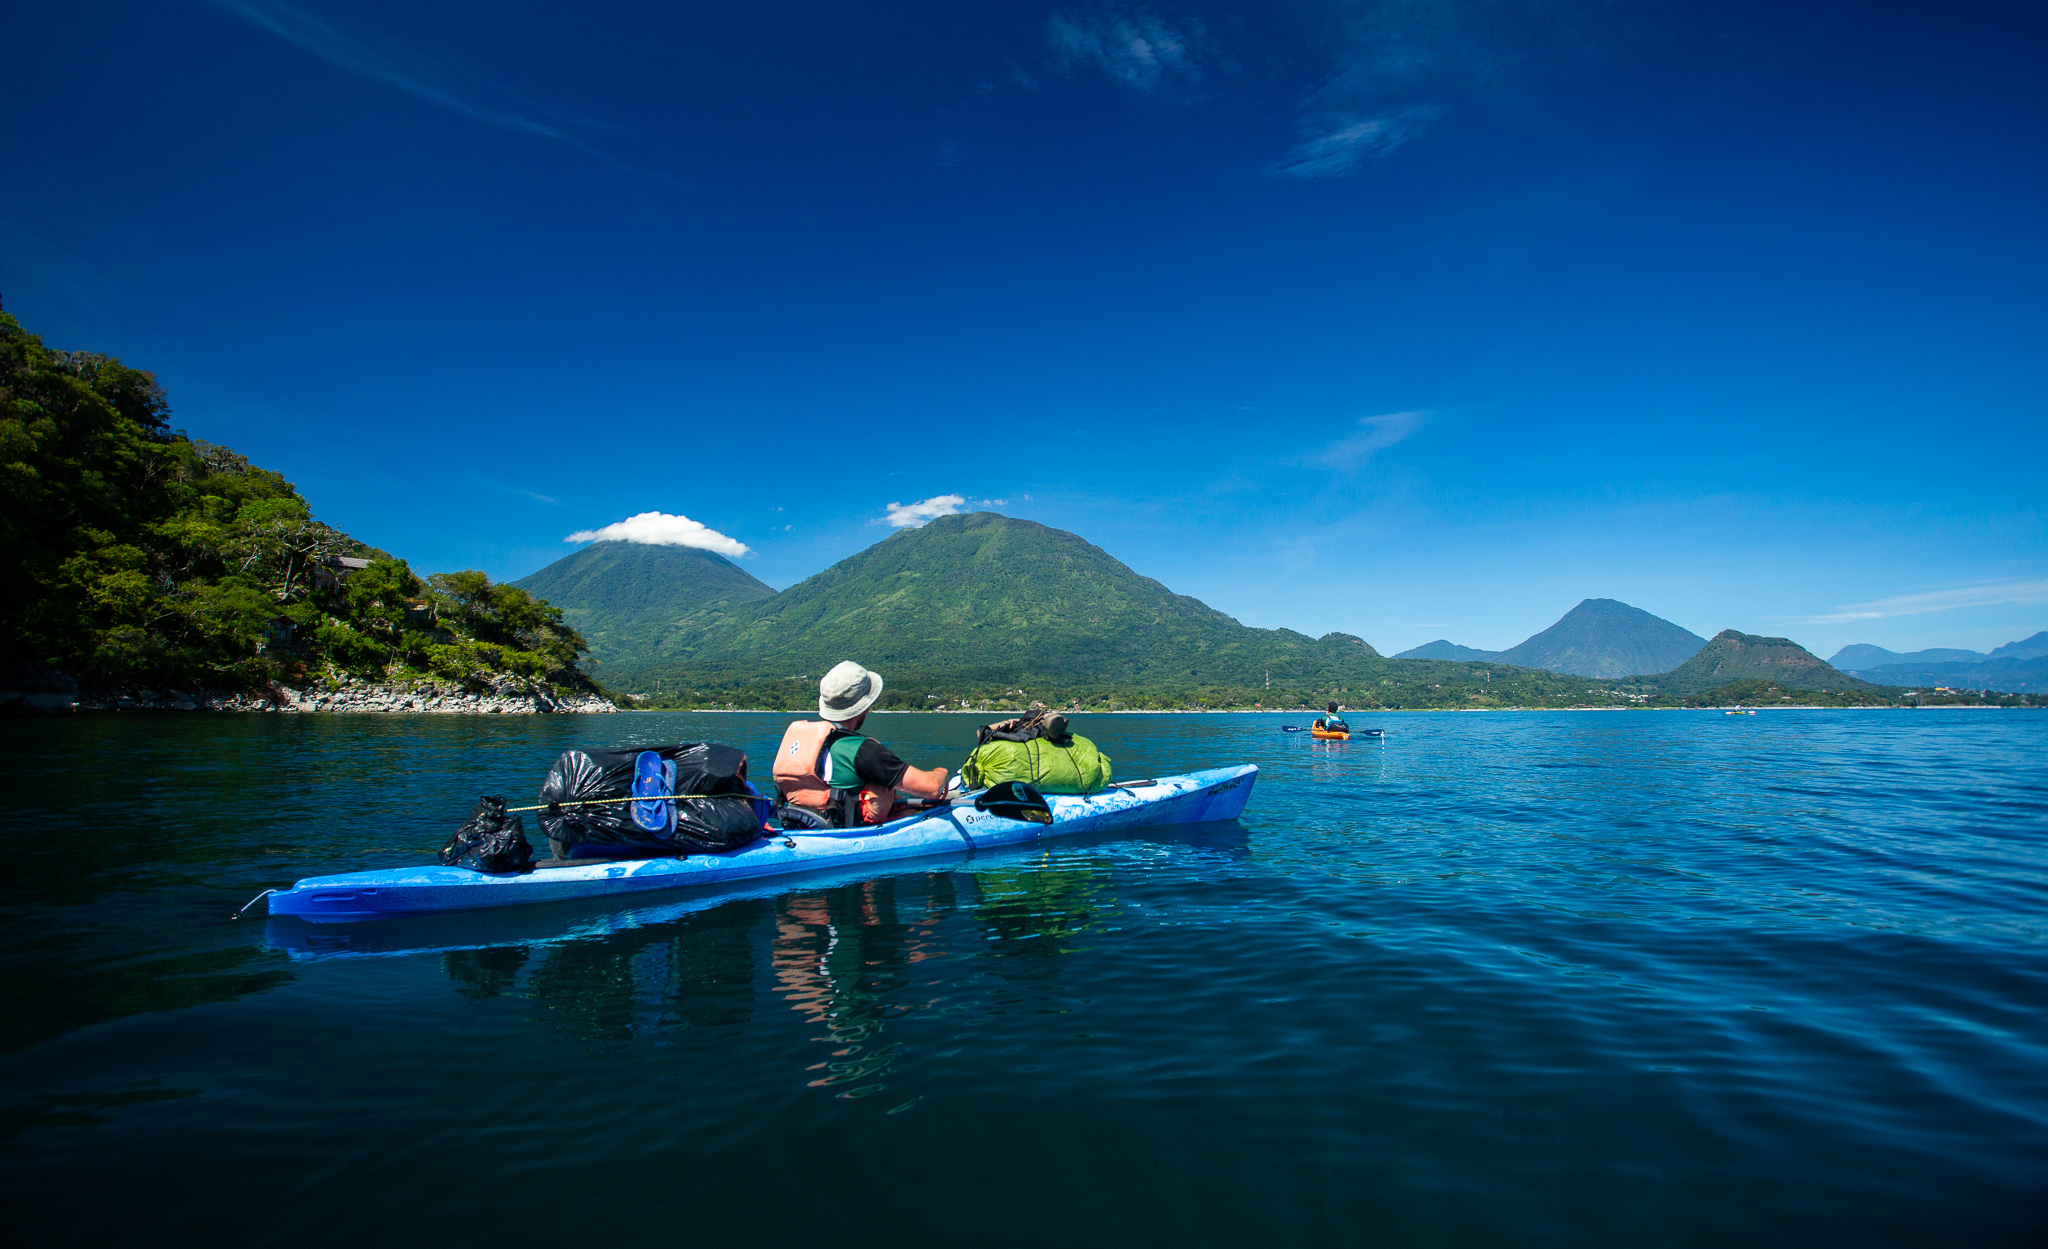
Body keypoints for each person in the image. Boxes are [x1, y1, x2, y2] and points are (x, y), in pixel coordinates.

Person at [772, 661, 950, 827]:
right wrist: (941, 773)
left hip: (800, 825)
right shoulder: (864, 751)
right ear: (864, 706)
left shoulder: (801, 741)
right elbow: (932, 788)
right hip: (843, 833)